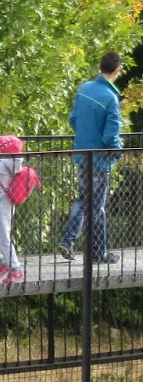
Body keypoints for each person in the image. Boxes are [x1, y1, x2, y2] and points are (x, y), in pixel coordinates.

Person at [58, 51, 124, 266]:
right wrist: (119, 150)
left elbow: (74, 118)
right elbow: (110, 136)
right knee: (97, 207)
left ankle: (68, 240)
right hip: (99, 160)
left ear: (99, 66)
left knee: (84, 200)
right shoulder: (111, 98)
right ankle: (98, 253)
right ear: (117, 71)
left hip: (82, 155)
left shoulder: (84, 89)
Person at [0, 134, 30, 284]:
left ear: (4, 150)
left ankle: (16, 268)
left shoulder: (1, 164)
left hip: (2, 204)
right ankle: (3, 262)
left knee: (3, 236)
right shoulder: (1, 161)